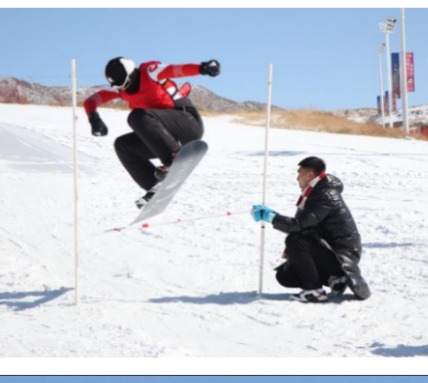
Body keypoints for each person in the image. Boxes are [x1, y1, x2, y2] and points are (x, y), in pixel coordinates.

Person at [85, 57, 219, 206]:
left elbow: (176, 70)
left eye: (126, 83)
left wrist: (202, 68)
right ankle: (155, 186)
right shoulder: (119, 89)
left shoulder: (150, 72)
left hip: (187, 122)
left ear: (131, 74)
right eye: (120, 86)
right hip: (166, 135)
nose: (124, 88)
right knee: (122, 145)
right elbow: (91, 100)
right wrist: (94, 118)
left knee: (137, 116)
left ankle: (174, 159)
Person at [251, 157, 371, 303]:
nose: (297, 178)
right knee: (285, 276)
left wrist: (271, 218)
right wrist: (274, 216)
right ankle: (337, 278)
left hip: (342, 255)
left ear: (310, 175)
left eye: (299, 173)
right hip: (331, 251)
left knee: (295, 241)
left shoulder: (325, 195)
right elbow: (304, 224)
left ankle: (315, 290)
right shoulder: (316, 191)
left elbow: (299, 225)